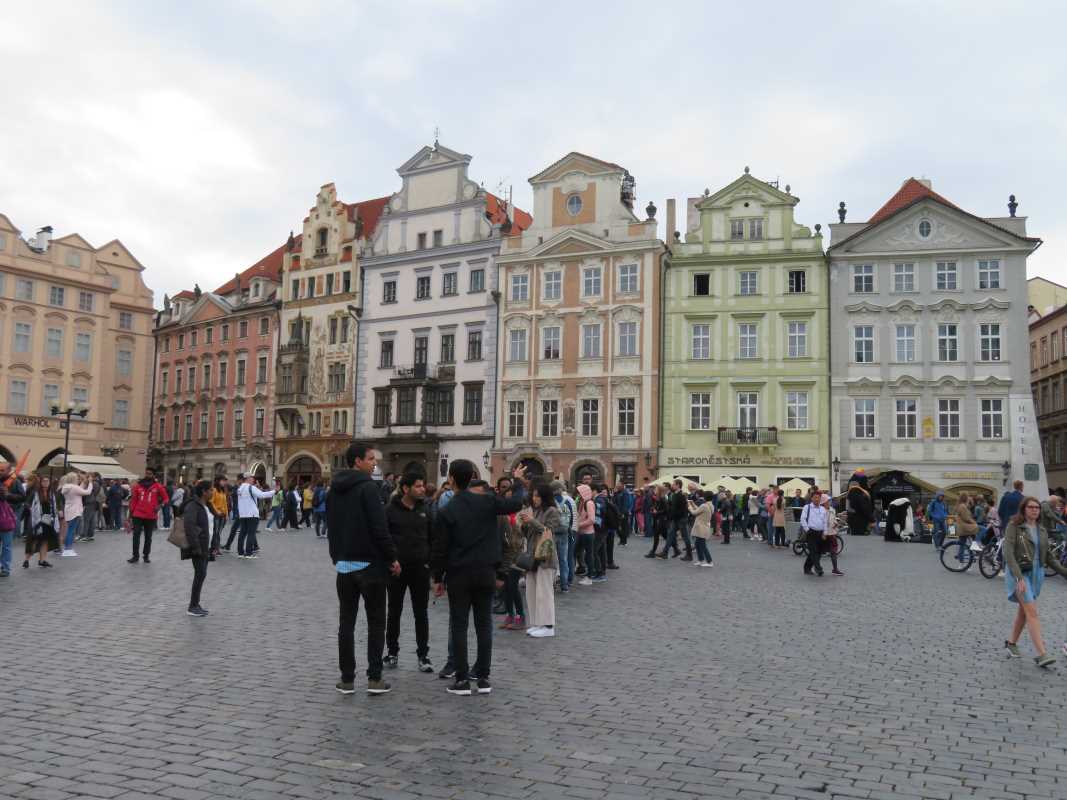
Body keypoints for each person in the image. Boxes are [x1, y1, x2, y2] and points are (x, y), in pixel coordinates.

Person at [431, 460, 526, 696]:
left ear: (451, 478)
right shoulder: (488, 501)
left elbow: (440, 549)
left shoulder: (447, 510)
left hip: (459, 573)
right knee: (484, 625)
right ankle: (483, 678)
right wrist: (518, 481)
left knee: (460, 626)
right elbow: (515, 502)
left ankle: (462, 680)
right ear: (473, 475)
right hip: (486, 572)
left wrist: (437, 578)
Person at [329, 444, 400, 696]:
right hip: (370, 565)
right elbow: (379, 528)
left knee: (346, 623)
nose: (375, 464)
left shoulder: (334, 489)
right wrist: (392, 557)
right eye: (371, 459)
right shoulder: (369, 488)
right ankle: (374, 678)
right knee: (376, 622)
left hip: (344, 565)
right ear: (357, 461)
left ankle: (347, 679)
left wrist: (336, 556)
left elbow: (332, 527)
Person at [1002, 496, 1067, 668]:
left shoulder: (1042, 530)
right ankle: (1042, 653)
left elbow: (1049, 558)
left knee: (1023, 613)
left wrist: (1064, 573)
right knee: (1032, 612)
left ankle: (1011, 643)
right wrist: (1018, 578)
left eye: (1037, 507)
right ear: (1024, 509)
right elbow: (1008, 553)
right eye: (1031, 507)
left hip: (1036, 574)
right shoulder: (1014, 526)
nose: (1035, 510)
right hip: (1019, 574)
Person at [383, 473, 434, 673]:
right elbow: (384, 538)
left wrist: (430, 563)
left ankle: (423, 655)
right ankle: (392, 652)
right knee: (394, 612)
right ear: (406, 488)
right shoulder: (389, 510)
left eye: (423, 486)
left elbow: (433, 537)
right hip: (396, 570)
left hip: (420, 569)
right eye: (419, 486)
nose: (423, 489)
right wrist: (390, 561)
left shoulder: (426, 509)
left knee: (421, 613)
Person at [519, 484, 559, 637]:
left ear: (545, 496)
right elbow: (529, 534)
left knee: (544, 592)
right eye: (533, 495)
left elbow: (548, 530)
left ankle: (548, 626)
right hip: (532, 555)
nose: (534, 498)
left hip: (545, 556)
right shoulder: (534, 511)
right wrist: (523, 524)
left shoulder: (552, 511)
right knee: (532, 591)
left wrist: (532, 521)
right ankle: (537, 623)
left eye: (537, 496)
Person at [180, 480, 212, 617]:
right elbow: (189, 526)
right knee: (200, 574)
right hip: (198, 546)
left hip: (206, 545)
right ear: (204, 492)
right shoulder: (193, 505)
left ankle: (195, 604)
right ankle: (192, 606)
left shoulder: (205, 505)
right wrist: (196, 547)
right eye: (210, 490)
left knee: (201, 574)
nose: (212, 492)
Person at [128, 468, 169, 564]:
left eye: (150, 474)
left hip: (150, 516)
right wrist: (130, 515)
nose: (147, 475)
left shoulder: (158, 486)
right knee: (136, 535)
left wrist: (159, 505)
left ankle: (146, 555)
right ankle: (135, 556)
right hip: (137, 514)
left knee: (148, 537)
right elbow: (133, 501)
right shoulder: (138, 486)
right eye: (146, 473)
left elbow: (166, 498)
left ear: (153, 475)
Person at [235, 474, 274, 558]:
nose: (253, 479)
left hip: (243, 514)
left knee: (242, 533)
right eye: (252, 478)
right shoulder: (251, 487)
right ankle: (249, 553)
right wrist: (274, 491)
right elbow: (262, 495)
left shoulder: (239, 489)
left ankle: (240, 552)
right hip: (252, 514)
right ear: (248, 478)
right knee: (251, 533)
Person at [24, 475, 59, 569]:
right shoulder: (35, 493)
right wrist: (32, 509)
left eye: (47, 481)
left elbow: (54, 506)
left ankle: (42, 560)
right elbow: (27, 503)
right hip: (37, 520)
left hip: (48, 520)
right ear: (40, 482)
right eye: (44, 481)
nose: (46, 483)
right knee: (34, 539)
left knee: (45, 540)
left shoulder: (51, 493)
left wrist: (55, 516)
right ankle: (26, 560)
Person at [0, 461, 27, 577]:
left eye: (2, 470)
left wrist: (8, 495)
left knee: (6, 545)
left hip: (6, 517)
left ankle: (5, 568)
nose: (0, 472)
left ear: (8, 470)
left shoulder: (15, 482)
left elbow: (22, 497)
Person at [58, 471, 92, 558]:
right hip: (75, 510)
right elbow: (87, 492)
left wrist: (85, 481)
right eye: (77, 478)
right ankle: (68, 549)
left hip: (69, 510)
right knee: (71, 530)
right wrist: (90, 483)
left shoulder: (67, 487)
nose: (78, 479)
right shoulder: (74, 487)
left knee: (70, 529)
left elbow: (79, 488)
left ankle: (67, 548)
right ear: (74, 479)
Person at [552, 480, 576, 593]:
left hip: (552, 533)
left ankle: (552, 583)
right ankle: (564, 585)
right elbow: (571, 519)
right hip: (564, 534)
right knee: (563, 560)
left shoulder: (550, 502)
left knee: (551, 560)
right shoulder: (566, 501)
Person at [800, 489, 830, 576]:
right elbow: (803, 519)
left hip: (820, 533)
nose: (817, 499)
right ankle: (818, 568)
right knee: (813, 551)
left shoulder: (822, 509)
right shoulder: (807, 507)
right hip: (811, 532)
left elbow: (825, 522)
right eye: (815, 497)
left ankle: (807, 567)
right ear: (812, 498)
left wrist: (825, 532)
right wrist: (807, 529)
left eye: (818, 498)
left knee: (819, 552)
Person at [574, 483, 597, 583]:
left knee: (589, 555)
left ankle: (589, 577)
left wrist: (579, 525)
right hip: (582, 533)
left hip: (588, 533)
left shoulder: (589, 503)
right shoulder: (583, 502)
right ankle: (585, 572)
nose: (578, 494)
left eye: (580, 492)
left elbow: (592, 520)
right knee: (578, 553)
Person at [687, 490, 714, 567]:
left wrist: (689, 507)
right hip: (704, 527)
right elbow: (700, 510)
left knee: (702, 545)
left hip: (700, 527)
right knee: (698, 544)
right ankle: (701, 560)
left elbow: (694, 513)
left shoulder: (704, 506)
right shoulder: (710, 505)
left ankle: (709, 561)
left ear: (705, 497)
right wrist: (693, 504)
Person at [954, 493, 979, 561]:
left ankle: (961, 556)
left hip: (962, 527)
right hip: (964, 527)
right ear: (965, 498)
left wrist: (970, 503)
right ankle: (976, 548)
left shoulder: (962, 506)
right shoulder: (962, 506)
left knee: (962, 543)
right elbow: (966, 518)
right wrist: (974, 522)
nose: (968, 498)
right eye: (968, 497)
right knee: (980, 529)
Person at [209, 477, 229, 556]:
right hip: (217, 515)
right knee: (215, 532)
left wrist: (226, 514)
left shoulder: (223, 491)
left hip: (223, 515)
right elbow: (211, 502)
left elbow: (225, 504)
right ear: (218, 481)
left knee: (218, 533)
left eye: (225, 481)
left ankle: (216, 548)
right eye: (223, 480)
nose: (224, 482)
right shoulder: (214, 490)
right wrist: (217, 512)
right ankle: (214, 549)